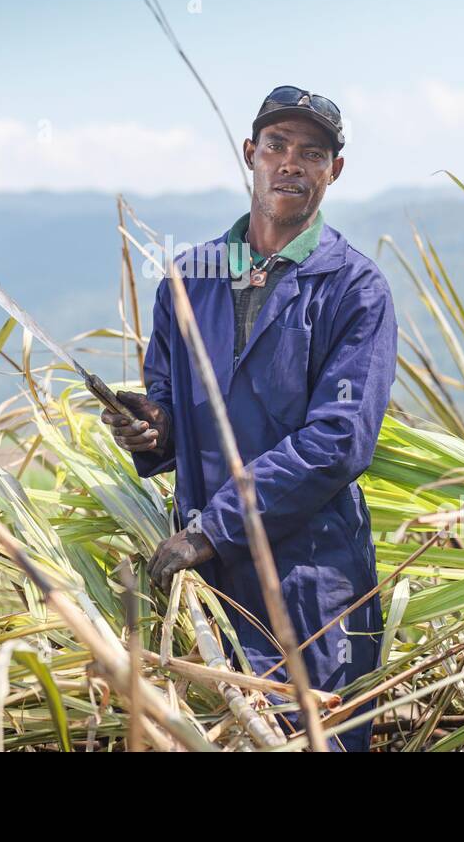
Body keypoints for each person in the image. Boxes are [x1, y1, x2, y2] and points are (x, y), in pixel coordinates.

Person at [102, 85, 397, 751]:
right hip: (209, 595)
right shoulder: (187, 278)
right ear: (250, 154)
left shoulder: (354, 289)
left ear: (334, 171)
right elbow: (169, 408)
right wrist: (151, 426)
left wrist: (214, 528)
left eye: (312, 153)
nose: (291, 163)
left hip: (313, 590)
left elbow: (338, 441)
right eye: (277, 146)